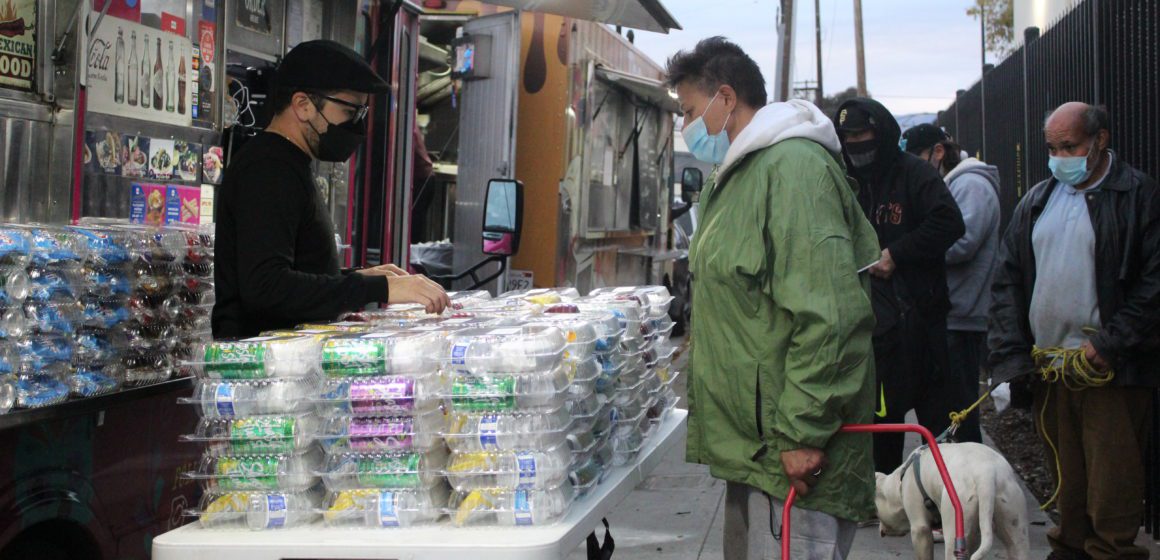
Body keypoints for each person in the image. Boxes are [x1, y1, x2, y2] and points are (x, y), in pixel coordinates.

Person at [667, 37, 880, 559]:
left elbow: (829, 314)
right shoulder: (741, 171)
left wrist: (804, 434)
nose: (686, 126)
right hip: (762, 450)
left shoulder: (793, 171)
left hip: (796, 455)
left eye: (689, 111)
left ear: (725, 97)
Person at [989, 102, 1159, 560]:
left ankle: (1112, 553)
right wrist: (1013, 357)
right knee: (1068, 480)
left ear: (1100, 140)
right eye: (1053, 148)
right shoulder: (1038, 200)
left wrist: (1109, 343)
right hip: (1053, 369)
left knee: (1112, 481)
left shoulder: (1138, 196)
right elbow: (1007, 280)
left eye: (1071, 147)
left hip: (1109, 373)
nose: (1061, 156)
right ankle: (1069, 551)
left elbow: (1153, 283)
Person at [213, 40, 449, 339]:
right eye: (350, 112)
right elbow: (266, 287)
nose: (357, 127)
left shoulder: (287, 164)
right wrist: (378, 287)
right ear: (303, 105)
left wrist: (356, 278)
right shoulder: (267, 169)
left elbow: (295, 275)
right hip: (257, 369)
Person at [832, 99, 965, 474]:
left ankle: (942, 503)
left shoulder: (914, 174)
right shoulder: (848, 180)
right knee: (882, 419)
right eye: (848, 137)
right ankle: (886, 499)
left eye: (862, 134)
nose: (855, 143)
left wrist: (897, 254)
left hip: (923, 319)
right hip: (876, 326)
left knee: (936, 423)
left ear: (881, 132)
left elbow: (950, 223)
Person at [901, 123, 1000, 445]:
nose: (915, 166)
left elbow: (961, 241)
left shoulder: (971, 185)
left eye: (918, 157)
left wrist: (913, 248)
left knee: (959, 408)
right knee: (950, 406)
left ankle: (966, 480)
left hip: (962, 313)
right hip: (952, 311)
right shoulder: (953, 184)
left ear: (938, 152)